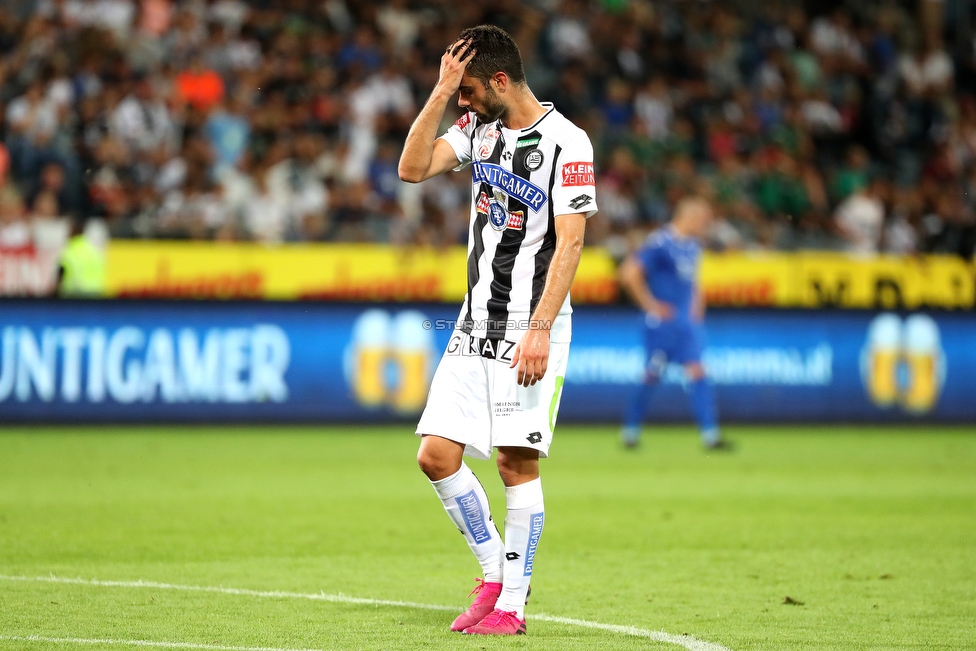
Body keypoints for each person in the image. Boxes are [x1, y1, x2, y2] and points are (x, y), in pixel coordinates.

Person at [398, 25, 597, 636]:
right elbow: (412, 169)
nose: (465, 103)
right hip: (473, 319)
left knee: (516, 464)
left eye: (470, 91)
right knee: (435, 455)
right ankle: (492, 574)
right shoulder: (476, 130)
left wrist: (538, 329)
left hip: (530, 325)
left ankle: (513, 605)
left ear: (502, 82)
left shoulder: (569, 142)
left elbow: (571, 242)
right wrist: (441, 90)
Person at [618, 197, 730, 450]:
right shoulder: (660, 242)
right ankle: (630, 431)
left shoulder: (692, 246)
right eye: (703, 220)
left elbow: (694, 283)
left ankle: (711, 436)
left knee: (698, 371)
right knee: (651, 375)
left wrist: (696, 311)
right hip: (661, 323)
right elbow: (629, 273)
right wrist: (651, 305)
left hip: (685, 324)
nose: (706, 225)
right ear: (687, 217)